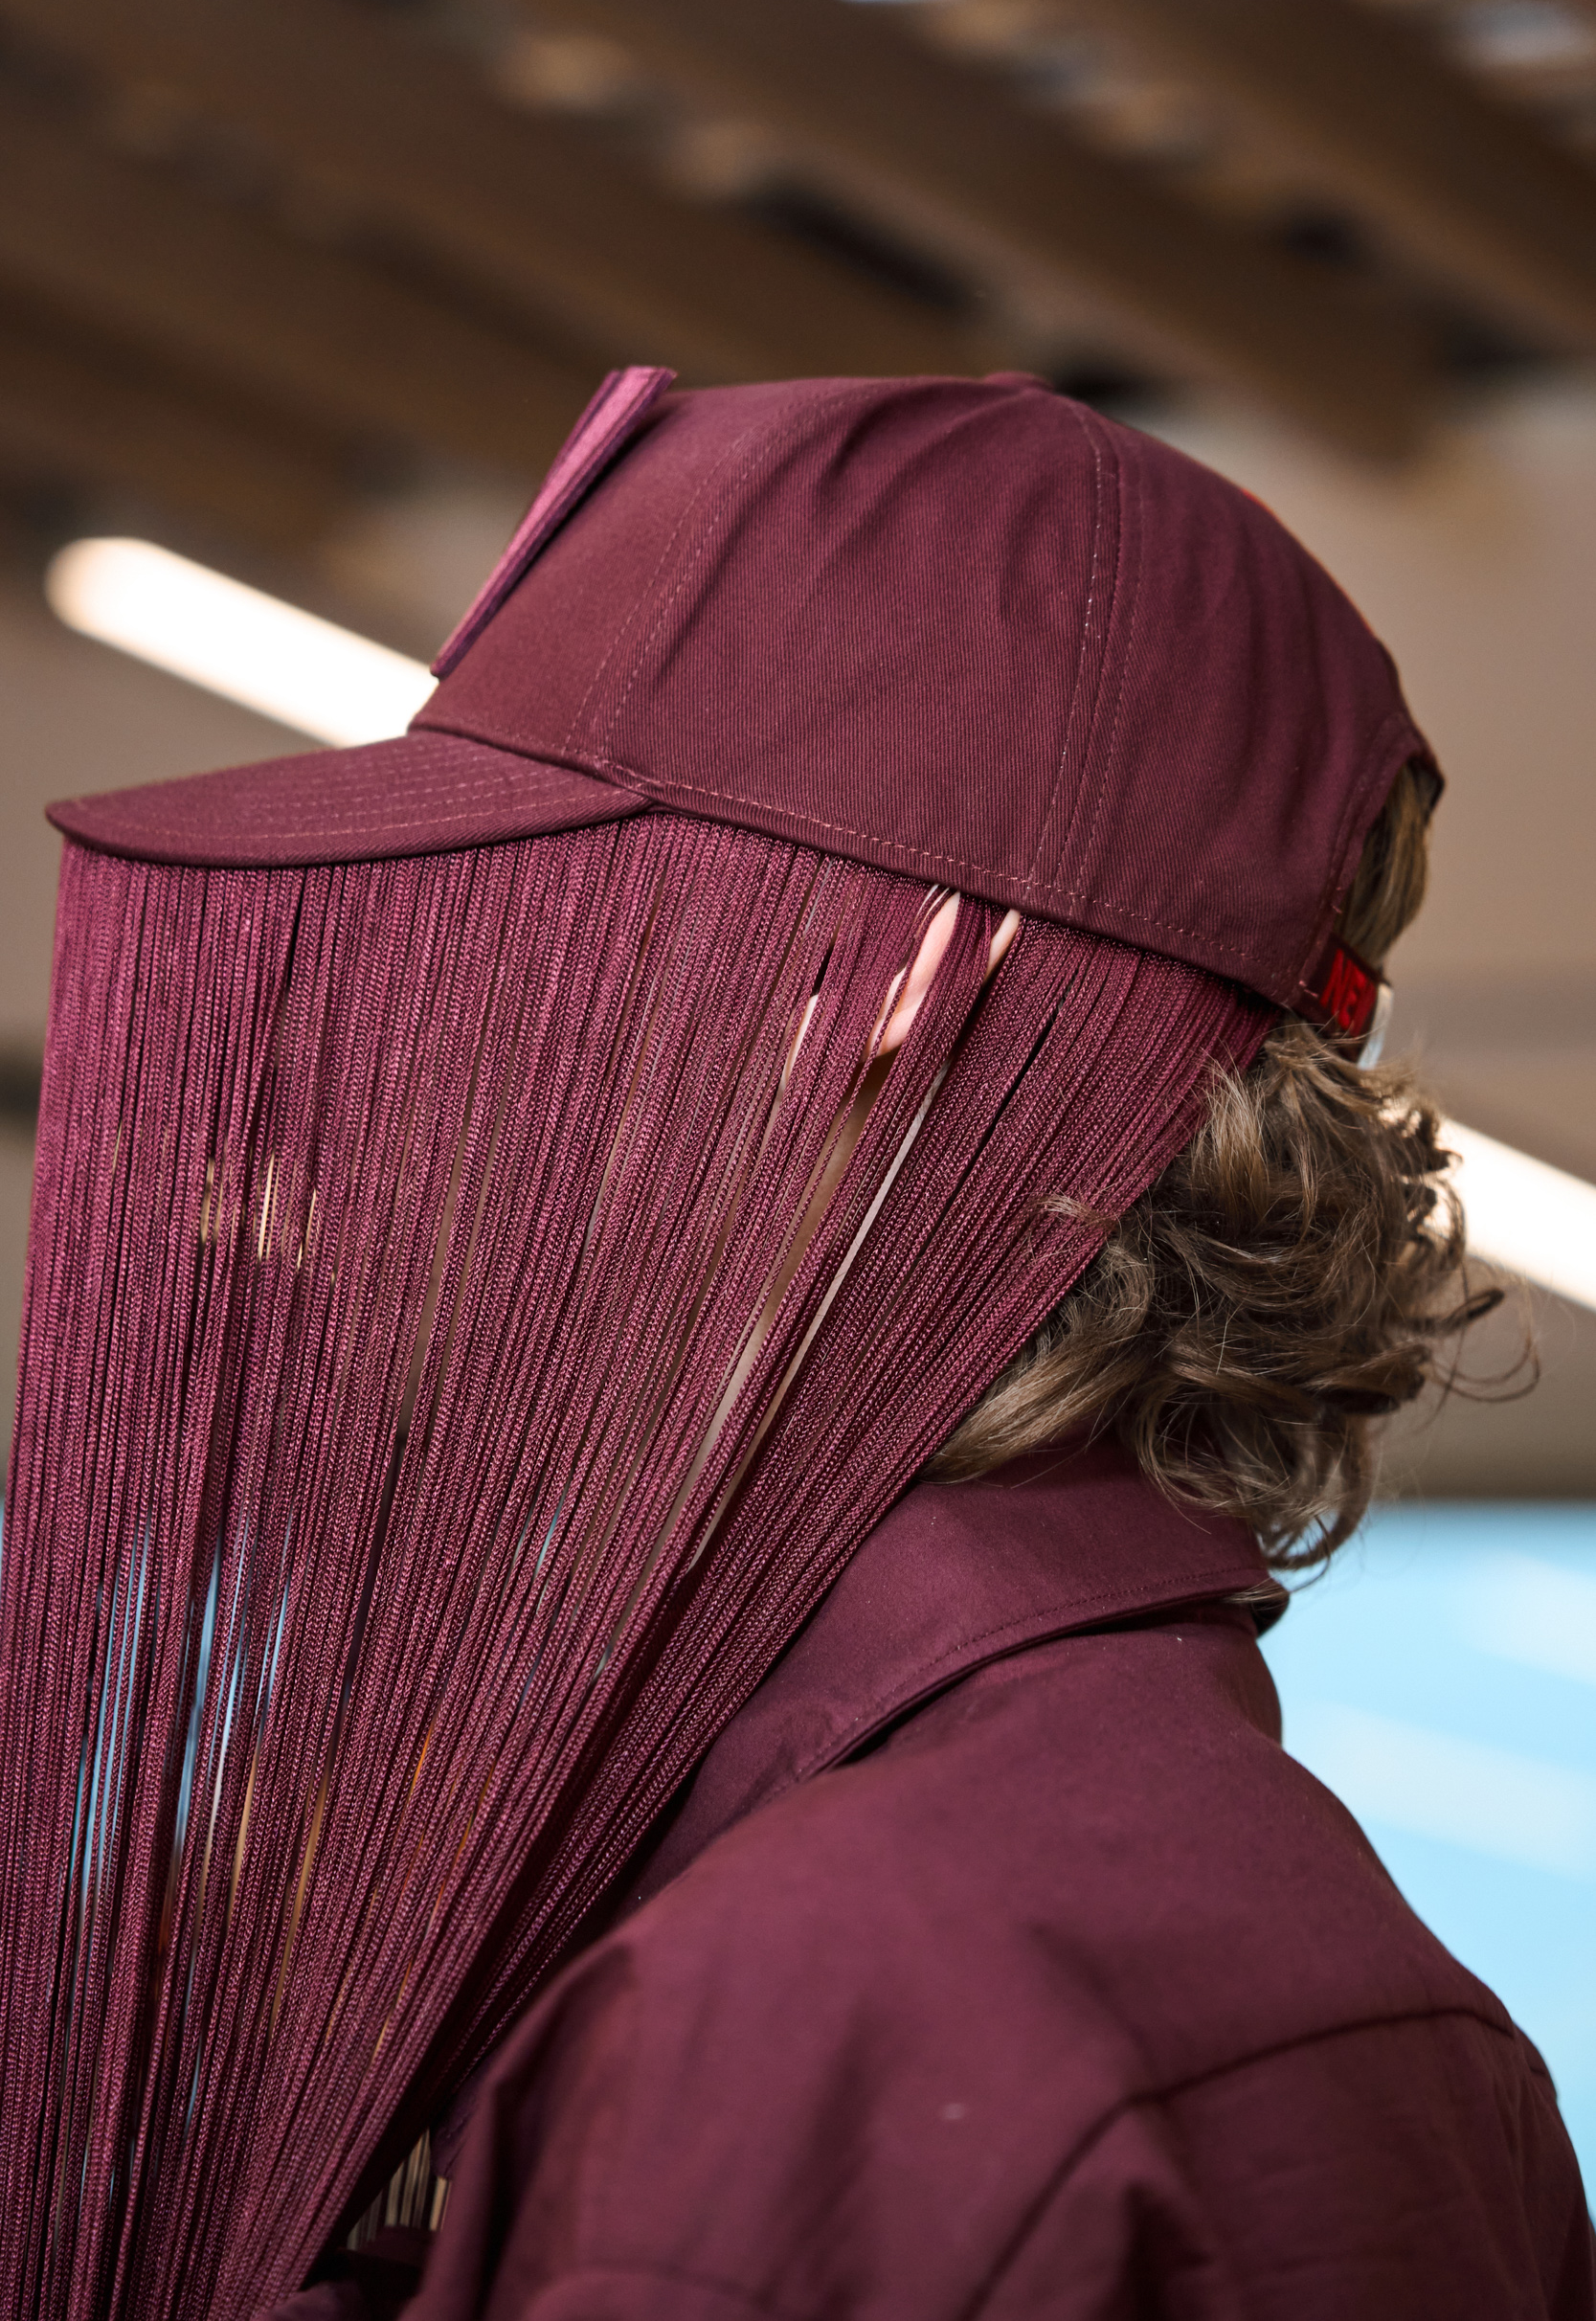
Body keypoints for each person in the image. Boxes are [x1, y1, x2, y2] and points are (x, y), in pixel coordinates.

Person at [3, 372, 1588, 2321]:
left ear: (886, 1007)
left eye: (511, 931)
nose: (377, 1083)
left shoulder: (819, 2007)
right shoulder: (1346, 1981)